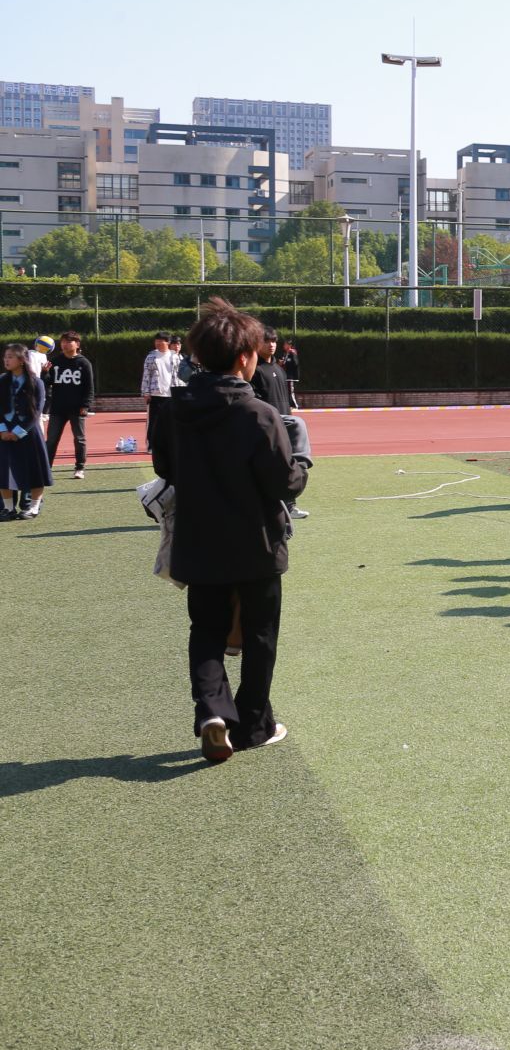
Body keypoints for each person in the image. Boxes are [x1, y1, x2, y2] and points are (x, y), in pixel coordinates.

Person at [153, 298, 310, 763]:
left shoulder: (172, 411)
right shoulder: (257, 413)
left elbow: (165, 467)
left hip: (197, 538)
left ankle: (212, 712)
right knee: (260, 634)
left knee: (206, 629)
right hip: (254, 540)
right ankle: (252, 724)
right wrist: (301, 461)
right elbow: (285, 483)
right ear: (244, 357)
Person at [252, 330, 309, 521]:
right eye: (267, 341)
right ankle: (268, 507)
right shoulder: (255, 370)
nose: (271, 345)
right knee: (269, 468)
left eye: (274, 341)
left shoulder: (279, 368)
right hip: (267, 427)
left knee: (286, 465)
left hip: (285, 424)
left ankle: (289, 506)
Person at [0, 344, 51, 519]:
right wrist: (2, 430)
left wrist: (18, 432)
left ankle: (33, 507)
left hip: (29, 433)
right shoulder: (2, 381)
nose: (6, 360)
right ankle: (8, 508)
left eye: (10, 357)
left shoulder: (36, 382)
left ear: (22, 360)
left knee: (35, 470)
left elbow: (36, 412)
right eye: (5, 356)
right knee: (4, 470)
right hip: (4, 432)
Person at [42, 330, 94, 480]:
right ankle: (46, 469)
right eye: (63, 342)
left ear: (77, 344)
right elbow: (47, 383)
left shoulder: (84, 363)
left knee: (79, 439)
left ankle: (79, 467)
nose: (64, 344)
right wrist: (44, 373)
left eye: (68, 342)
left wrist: (85, 405)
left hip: (77, 408)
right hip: (58, 408)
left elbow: (89, 387)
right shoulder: (55, 361)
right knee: (51, 440)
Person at [142, 331, 177, 457]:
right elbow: (146, 375)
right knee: (154, 422)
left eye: (160, 341)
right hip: (155, 394)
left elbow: (178, 375)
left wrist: (180, 391)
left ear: (168, 342)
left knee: (172, 421)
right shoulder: (151, 357)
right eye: (156, 341)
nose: (157, 343)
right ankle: (151, 445)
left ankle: (170, 445)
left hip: (171, 394)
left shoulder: (175, 357)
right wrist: (146, 392)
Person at [278, 339, 301, 408]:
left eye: (285, 344)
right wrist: (281, 363)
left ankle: (295, 405)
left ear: (289, 345)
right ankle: (289, 405)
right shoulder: (285, 354)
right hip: (285, 376)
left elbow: (295, 363)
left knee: (291, 391)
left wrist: (285, 362)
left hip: (291, 377)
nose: (283, 346)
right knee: (287, 392)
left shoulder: (292, 353)